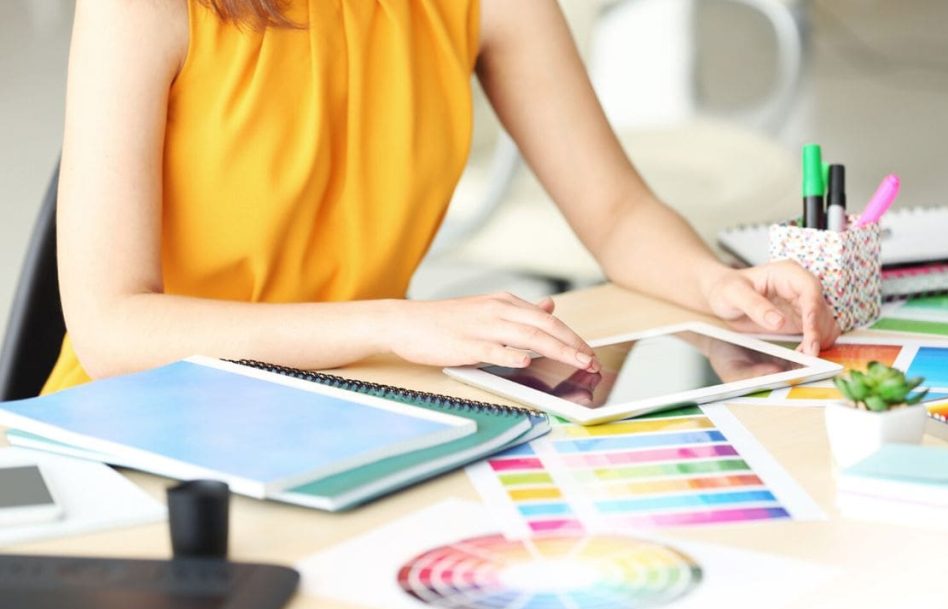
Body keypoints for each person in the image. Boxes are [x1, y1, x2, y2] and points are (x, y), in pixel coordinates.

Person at [43, 0, 839, 395]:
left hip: (353, 406)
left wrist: (716, 287)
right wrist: (397, 322)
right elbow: (113, 327)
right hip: (132, 431)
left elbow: (616, 212)